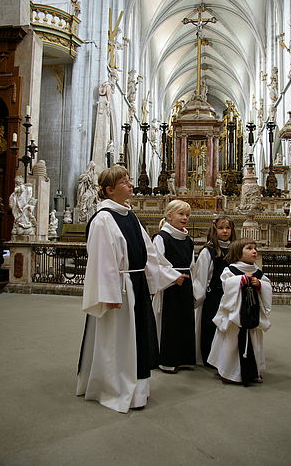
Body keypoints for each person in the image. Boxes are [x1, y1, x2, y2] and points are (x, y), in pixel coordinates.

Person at [76, 166, 180, 413]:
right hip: (120, 290)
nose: (131, 184)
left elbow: (149, 252)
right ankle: (113, 386)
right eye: (124, 182)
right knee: (118, 340)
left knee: (136, 339)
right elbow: (102, 260)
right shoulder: (103, 219)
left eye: (129, 180)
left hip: (136, 284)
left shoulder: (129, 215)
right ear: (109, 190)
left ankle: (135, 388)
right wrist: (109, 295)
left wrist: (157, 279)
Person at [208, 238, 272, 386]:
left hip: (251, 312)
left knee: (254, 341)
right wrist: (241, 280)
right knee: (231, 342)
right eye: (249, 248)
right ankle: (228, 371)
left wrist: (260, 284)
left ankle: (254, 370)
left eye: (255, 248)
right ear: (238, 254)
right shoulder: (230, 269)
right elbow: (226, 283)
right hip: (235, 314)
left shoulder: (257, 272)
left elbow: (267, 286)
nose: (254, 251)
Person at [152, 199, 196, 374]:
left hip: (185, 283)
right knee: (170, 323)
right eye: (181, 214)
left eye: (187, 215)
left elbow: (192, 265)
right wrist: (173, 277)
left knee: (185, 321)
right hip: (169, 286)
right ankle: (167, 360)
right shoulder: (161, 238)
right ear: (169, 216)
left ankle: (184, 358)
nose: (185, 218)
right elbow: (155, 263)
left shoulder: (187, 239)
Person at [193, 216, 236, 366]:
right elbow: (202, 276)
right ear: (214, 230)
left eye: (228, 228)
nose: (225, 231)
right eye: (221, 228)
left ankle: (226, 357)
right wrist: (199, 296)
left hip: (231, 296)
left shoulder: (236, 250)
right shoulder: (208, 251)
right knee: (211, 326)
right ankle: (209, 357)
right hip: (214, 295)